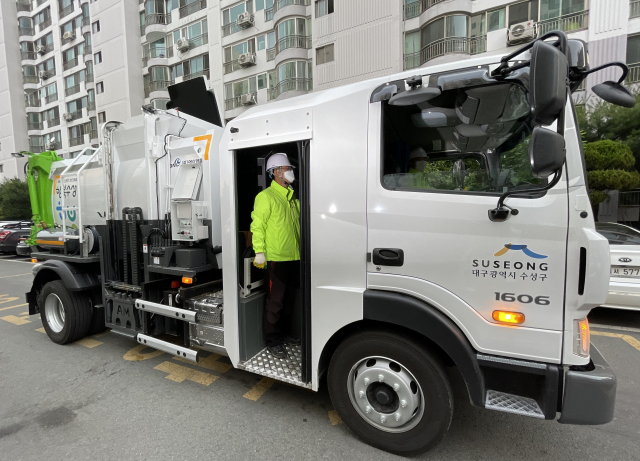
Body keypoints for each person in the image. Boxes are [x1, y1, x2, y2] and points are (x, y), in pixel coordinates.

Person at [250, 153, 300, 359]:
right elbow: (257, 226)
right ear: (277, 172)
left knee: (289, 301)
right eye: (287, 169)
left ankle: (284, 334)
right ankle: (272, 341)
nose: (290, 172)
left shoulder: (292, 199)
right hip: (276, 259)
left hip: (294, 257)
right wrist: (259, 252)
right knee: (275, 302)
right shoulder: (266, 197)